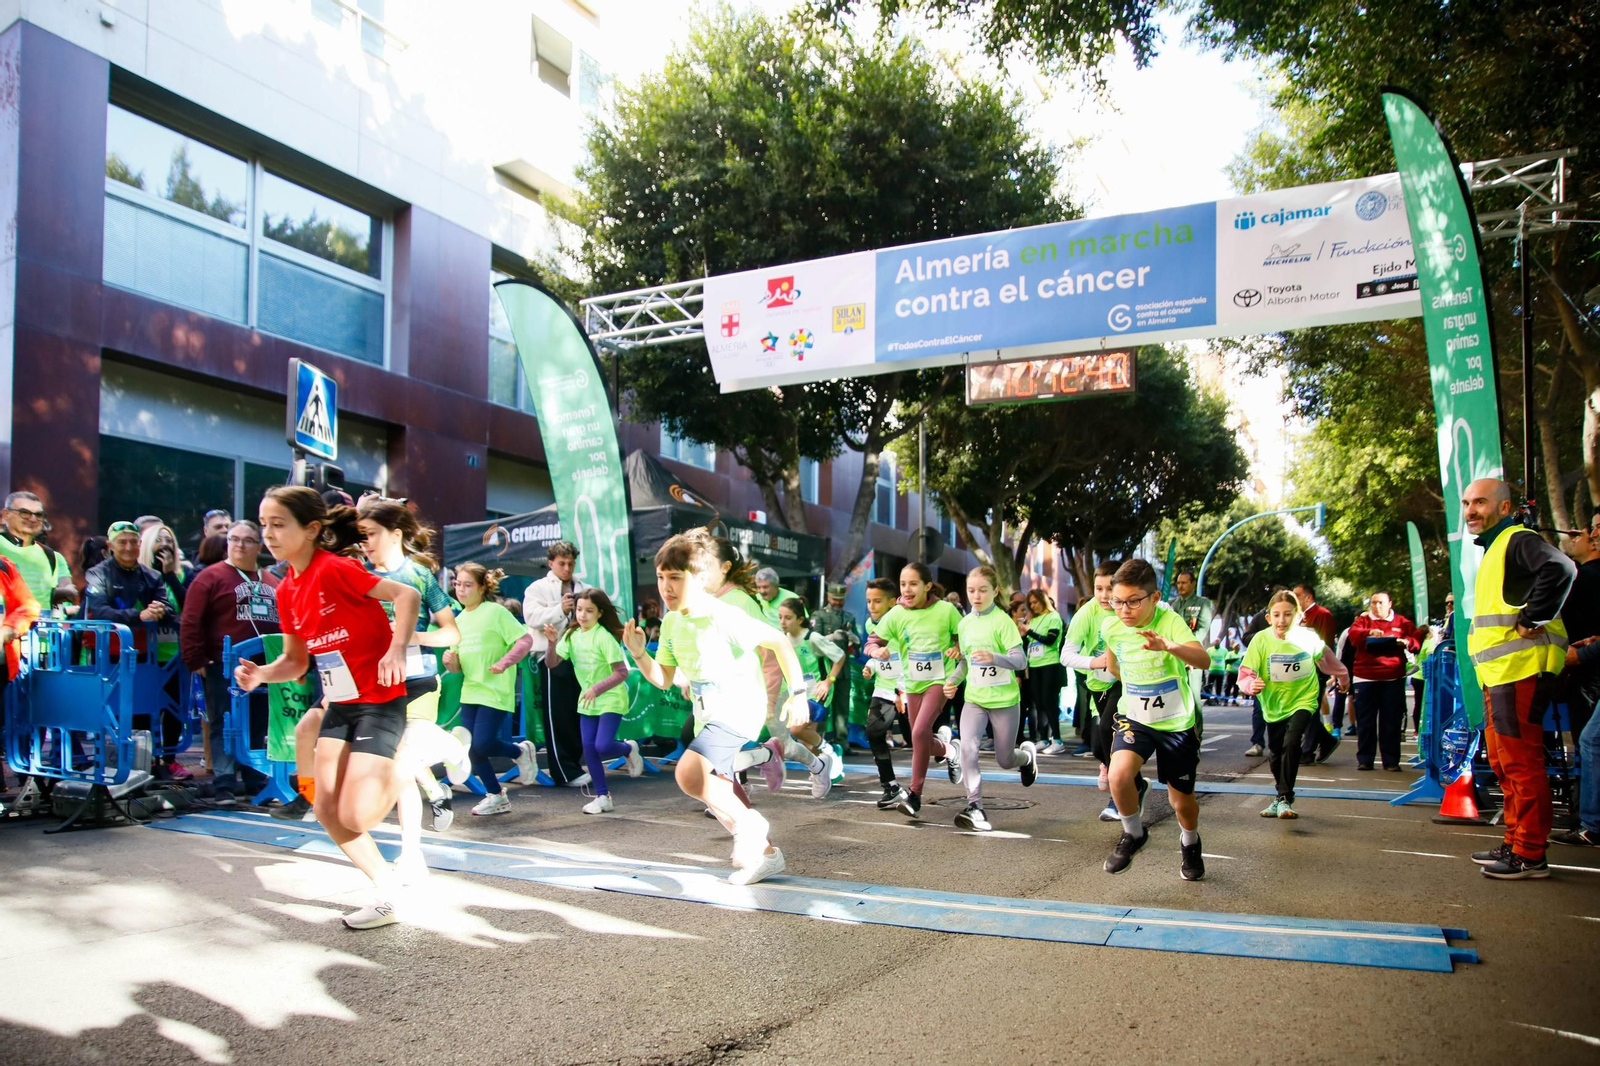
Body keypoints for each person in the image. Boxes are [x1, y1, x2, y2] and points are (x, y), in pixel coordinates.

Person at [234, 486, 421, 929]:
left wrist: (395, 650)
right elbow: (297, 662)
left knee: (356, 813)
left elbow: (406, 597)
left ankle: (412, 759)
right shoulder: (286, 591)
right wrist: (261, 675)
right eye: (264, 524)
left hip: (379, 700)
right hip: (340, 703)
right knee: (323, 808)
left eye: (279, 524)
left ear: (312, 529)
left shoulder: (336, 569)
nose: (269, 534)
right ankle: (388, 894)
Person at [624, 529, 813, 886]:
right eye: (661, 578)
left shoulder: (722, 614)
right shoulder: (671, 622)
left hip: (741, 707)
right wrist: (638, 654)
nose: (665, 587)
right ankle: (768, 856)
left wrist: (797, 693)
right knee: (713, 791)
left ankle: (751, 826)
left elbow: (779, 643)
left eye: (675, 578)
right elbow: (663, 679)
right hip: (708, 714)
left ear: (698, 578)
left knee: (688, 774)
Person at [1461, 479, 1575, 879]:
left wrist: (1533, 618)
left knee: (1520, 762)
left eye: (1480, 502)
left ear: (1505, 506)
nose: (1471, 510)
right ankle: (1516, 842)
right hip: (1503, 675)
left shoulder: (1515, 538)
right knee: (1504, 761)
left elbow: (1562, 567)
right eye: (1466, 503)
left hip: (1519, 672)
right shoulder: (1499, 547)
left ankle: (1529, 853)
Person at [356, 500, 467, 874]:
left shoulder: (419, 576)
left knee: (404, 757)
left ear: (397, 534)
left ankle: (411, 852)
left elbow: (452, 632)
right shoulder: (358, 575)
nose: (365, 543)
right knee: (398, 766)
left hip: (418, 679)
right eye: (362, 536)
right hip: (377, 682)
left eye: (371, 534)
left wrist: (410, 636)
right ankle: (447, 756)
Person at [1099, 558, 1210, 880]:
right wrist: (1135, 686)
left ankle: (1190, 841)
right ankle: (1133, 833)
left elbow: (1202, 659)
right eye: (1117, 601)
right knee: (1118, 776)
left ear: (1154, 598)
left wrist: (1169, 647)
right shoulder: (1111, 626)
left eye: (1133, 601)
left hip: (1175, 723)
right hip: (1136, 716)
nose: (1124, 610)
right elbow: (1114, 665)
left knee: (1181, 802)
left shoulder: (1170, 620)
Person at [178, 520, 279, 805]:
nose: (240, 545)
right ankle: (223, 782)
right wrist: (195, 658)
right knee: (225, 722)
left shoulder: (272, 582)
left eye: (248, 540)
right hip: (223, 665)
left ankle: (254, 780)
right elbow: (190, 620)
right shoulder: (210, 577)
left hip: (263, 669)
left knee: (258, 724)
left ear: (259, 546)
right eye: (234, 539)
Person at [1236, 590, 1351, 819]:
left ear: (1299, 616)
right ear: (1268, 618)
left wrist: (1344, 677)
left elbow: (1328, 659)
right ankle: (1281, 796)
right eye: (1276, 615)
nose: (1282, 620)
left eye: (1288, 615)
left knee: (1291, 742)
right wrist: (1251, 685)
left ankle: (1285, 797)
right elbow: (1245, 673)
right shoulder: (1261, 639)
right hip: (1274, 703)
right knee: (1275, 752)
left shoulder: (1308, 638)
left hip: (1304, 698)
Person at [86, 520, 185, 778]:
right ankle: (113, 766)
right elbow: (100, 610)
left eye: (133, 542)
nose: (129, 547)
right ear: (110, 546)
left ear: (140, 544)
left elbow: (167, 605)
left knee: (144, 710)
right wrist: (139, 615)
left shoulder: (151, 575)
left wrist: (160, 610)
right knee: (114, 711)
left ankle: (147, 765)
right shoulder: (97, 573)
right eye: (123, 542)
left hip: (145, 655)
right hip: (109, 655)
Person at [865, 561, 963, 818]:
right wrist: (876, 651)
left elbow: (963, 636)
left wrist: (958, 647)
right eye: (903, 584)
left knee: (920, 731)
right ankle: (951, 751)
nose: (906, 590)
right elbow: (873, 640)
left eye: (913, 584)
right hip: (912, 683)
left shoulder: (946, 610)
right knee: (918, 739)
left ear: (927, 586)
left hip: (940, 681)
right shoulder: (897, 613)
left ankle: (914, 795)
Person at [944, 565, 1038, 831]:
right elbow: (966, 662)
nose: (976, 596)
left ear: (995, 591)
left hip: (1005, 701)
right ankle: (976, 808)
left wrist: (994, 657)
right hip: (974, 699)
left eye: (983, 590)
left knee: (1005, 759)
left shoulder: (1003, 622)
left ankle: (1027, 758)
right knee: (969, 750)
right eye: (971, 590)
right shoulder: (964, 624)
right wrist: (953, 681)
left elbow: (1021, 661)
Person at [446, 563, 538, 815]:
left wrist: (505, 661)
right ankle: (496, 796)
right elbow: (457, 666)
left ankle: (519, 751)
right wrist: (451, 663)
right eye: (457, 584)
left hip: (495, 690)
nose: (461, 590)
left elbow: (525, 640)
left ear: (482, 587)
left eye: (467, 585)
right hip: (470, 691)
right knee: (470, 747)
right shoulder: (459, 620)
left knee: (483, 744)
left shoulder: (495, 612)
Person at [544, 588, 642, 814]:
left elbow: (621, 673)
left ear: (599, 613)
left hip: (610, 698)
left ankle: (628, 748)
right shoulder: (571, 635)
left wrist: (596, 689)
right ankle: (602, 797)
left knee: (602, 746)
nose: (582, 615)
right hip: (588, 701)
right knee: (588, 749)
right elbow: (552, 663)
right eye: (579, 610)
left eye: (589, 611)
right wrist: (550, 643)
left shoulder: (604, 637)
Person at [522, 541, 591, 786]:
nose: (567, 567)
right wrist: (560, 610)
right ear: (550, 563)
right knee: (558, 715)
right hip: (552, 655)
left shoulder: (585, 587)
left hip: (582, 657)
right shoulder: (537, 588)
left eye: (571, 563)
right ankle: (564, 771)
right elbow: (531, 617)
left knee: (578, 713)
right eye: (562, 563)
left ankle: (575, 766)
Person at [1553, 508, 1600, 848]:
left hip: (1589, 672)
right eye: (1593, 529)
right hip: (1586, 667)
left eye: (1593, 531)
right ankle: (1590, 817)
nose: (1590, 534)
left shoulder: (1587, 577)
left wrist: (1582, 654)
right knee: (1589, 742)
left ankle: (1592, 822)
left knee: (1591, 741)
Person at [773, 597, 845, 796]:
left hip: (818, 693)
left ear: (800, 619)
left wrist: (828, 681)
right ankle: (826, 771)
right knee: (806, 739)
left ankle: (830, 751)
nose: (783, 622)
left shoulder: (812, 638)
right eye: (780, 617)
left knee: (797, 728)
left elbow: (840, 657)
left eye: (788, 618)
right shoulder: (783, 640)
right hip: (799, 694)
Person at [1065, 562, 1120, 817]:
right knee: (1098, 746)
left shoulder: (1128, 609)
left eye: (1110, 588)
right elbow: (1066, 655)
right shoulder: (1086, 613)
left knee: (1112, 735)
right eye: (1099, 588)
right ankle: (1135, 784)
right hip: (1097, 685)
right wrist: (1095, 662)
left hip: (1126, 685)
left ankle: (1118, 799)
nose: (1104, 595)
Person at [1347, 590, 1422, 771]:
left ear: (1390, 604)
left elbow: (1417, 640)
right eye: (1373, 603)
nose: (1377, 606)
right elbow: (1353, 635)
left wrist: (1406, 642)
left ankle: (1391, 761)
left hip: (1392, 678)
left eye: (1380, 603)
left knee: (1391, 721)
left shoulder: (1402, 622)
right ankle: (1365, 759)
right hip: (1364, 678)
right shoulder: (1363, 621)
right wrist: (1369, 632)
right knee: (1365, 722)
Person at [862, 577, 913, 807]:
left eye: (877, 601)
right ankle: (890, 786)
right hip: (883, 689)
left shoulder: (901, 624)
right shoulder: (869, 625)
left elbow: (905, 658)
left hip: (907, 688)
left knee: (917, 738)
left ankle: (949, 751)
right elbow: (879, 655)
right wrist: (870, 666)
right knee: (874, 732)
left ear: (892, 603)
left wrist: (902, 691)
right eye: (869, 601)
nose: (872, 606)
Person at [0, 491, 78, 618]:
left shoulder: (53, 556)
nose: (33, 519)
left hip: (42, 633)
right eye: (24, 513)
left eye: (38, 515)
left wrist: (63, 597)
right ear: (6, 514)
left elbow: (67, 593)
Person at [1295, 582, 1342, 764]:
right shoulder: (1297, 617)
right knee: (1304, 710)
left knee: (1310, 710)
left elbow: (1326, 644)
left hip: (1315, 670)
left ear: (1308, 597)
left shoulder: (1322, 614)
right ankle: (1326, 740)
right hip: (1298, 671)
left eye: (1297, 595)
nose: (1295, 599)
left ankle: (1307, 751)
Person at [810, 582, 860, 738]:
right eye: (834, 598)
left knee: (842, 707)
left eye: (840, 599)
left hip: (843, 669)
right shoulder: (819, 616)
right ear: (828, 596)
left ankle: (842, 741)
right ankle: (817, 739)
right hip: (824, 668)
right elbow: (812, 640)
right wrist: (830, 638)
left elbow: (857, 650)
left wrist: (855, 640)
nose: (837, 602)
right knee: (821, 705)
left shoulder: (849, 617)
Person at [1020, 590, 1065, 751]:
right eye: (1030, 603)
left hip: (1050, 664)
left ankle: (1057, 740)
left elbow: (1050, 640)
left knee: (1049, 702)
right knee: (1038, 703)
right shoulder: (1033, 620)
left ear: (1042, 600)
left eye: (1035, 602)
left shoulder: (1053, 617)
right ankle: (1044, 738)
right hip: (1034, 666)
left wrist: (1029, 631)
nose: (1033, 606)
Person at [1170, 569, 1215, 642]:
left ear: (1193, 583)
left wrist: (1188, 644)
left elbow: (1202, 629)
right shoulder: (1171, 603)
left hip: (1191, 646)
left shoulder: (1203, 603)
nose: (1180, 586)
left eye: (1184, 583)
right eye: (1178, 583)